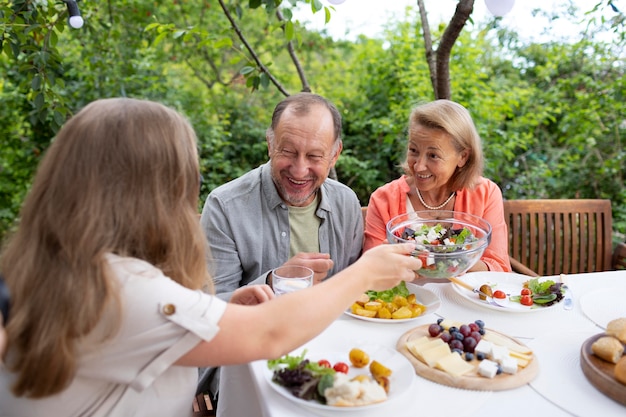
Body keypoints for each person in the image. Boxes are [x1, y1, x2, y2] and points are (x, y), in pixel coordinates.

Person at [0, 97, 421, 417]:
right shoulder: (119, 290)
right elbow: (265, 336)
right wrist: (366, 272)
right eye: (186, 177)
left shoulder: (57, 266)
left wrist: (220, 307)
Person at [200, 92, 363, 300]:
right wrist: (274, 281)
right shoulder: (224, 207)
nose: (299, 170)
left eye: (314, 156)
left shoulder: (346, 203)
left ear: (334, 156)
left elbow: (353, 292)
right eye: (288, 152)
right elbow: (212, 306)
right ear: (270, 144)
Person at [363, 99, 511, 273]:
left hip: (462, 299)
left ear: (462, 157)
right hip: (405, 298)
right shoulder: (384, 199)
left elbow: (499, 268)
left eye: (433, 155)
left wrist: (448, 258)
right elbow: (371, 271)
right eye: (413, 150)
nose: (419, 166)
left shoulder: (485, 194)